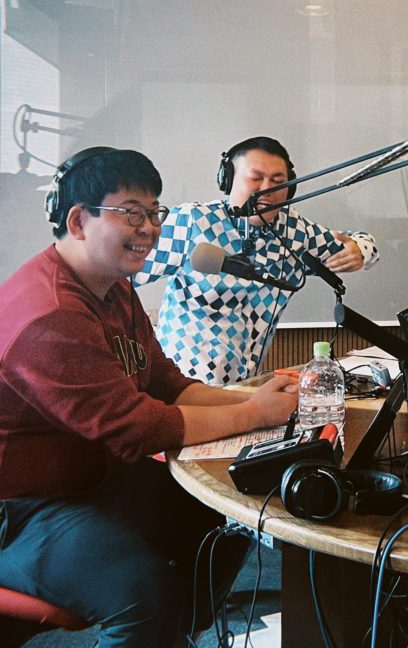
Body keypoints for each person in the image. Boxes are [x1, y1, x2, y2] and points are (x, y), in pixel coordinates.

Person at [0, 146, 298, 648]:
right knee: (144, 594)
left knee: (226, 519)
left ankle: (174, 635)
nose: (151, 228)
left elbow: (166, 383)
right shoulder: (49, 315)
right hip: (24, 510)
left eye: (155, 213)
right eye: (132, 213)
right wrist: (253, 413)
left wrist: (252, 402)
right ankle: (157, 627)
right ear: (78, 221)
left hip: (94, 482)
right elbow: (138, 428)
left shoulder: (113, 287)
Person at [134, 136, 379, 385]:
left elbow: (361, 243)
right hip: (179, 388)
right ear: (228, 179)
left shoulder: (294, 231)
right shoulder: (192, 222)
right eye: (255, 178)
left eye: (278, 182)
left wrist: (359, 250)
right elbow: (123, 272)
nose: (266, 189)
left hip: (245, 388)